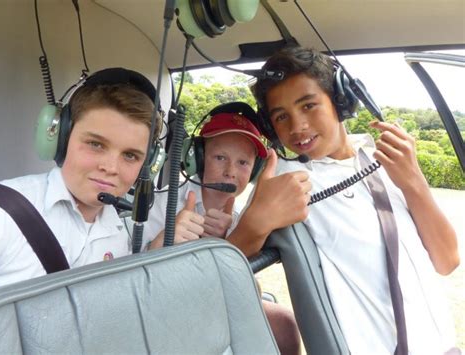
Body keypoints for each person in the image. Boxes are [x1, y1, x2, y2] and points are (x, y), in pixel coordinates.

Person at [251, 46, 460, 354]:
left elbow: (447, 261)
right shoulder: (286, 178)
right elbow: (234, 258)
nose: (297, 127)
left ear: (341, 99)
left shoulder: (387, 158)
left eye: (308, 106)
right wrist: (258, 219)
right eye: (281, 117)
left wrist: (414, 182)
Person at [143, 103, 307, 355]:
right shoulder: (164, 204)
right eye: (220, 158)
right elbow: (136, 283)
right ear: (196, 157)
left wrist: (226, 242)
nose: (231, 172)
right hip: (166, 316)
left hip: (220, 313)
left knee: (285, 323)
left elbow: (248, 294)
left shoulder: (243, 220)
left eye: (243, 162)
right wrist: (163, 242)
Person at [0, 68, 161, 289]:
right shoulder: (0, 214)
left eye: (130, 155)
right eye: (95, 144)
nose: (110, 168)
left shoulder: (119, 234)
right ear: (61, 138)